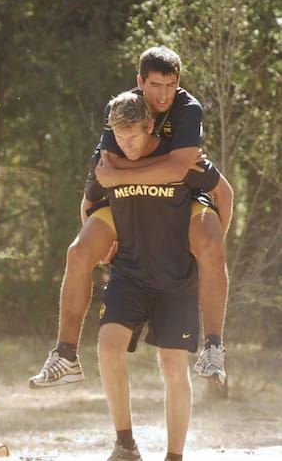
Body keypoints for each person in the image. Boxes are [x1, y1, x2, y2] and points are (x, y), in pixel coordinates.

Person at [30, 47, 232, 389]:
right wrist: (160, 171)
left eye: (170, 85)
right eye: (155, 85)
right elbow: (102, 173)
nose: (163, 94)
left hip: (182, 199)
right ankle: (65, 355)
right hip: (124, 204)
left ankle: (213, 347)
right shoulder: (121, 108)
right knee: (78, 252)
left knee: (211, 245)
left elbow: (180, 170)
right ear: (141, 82)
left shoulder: (188, 109)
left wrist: (207, 253)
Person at [94, 92, 225, 461]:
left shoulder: (180, 158)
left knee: (173, 366)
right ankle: (125, 444)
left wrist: (214, 247)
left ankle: (174, 456)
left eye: (133, 135)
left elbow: (223, 191)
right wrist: (102, 239)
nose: (126, 143)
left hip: (176, 279)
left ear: (149, 126)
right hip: (129, 274)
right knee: (107, 345)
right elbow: (90, 200)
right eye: (119, 136)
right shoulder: (109, 160)